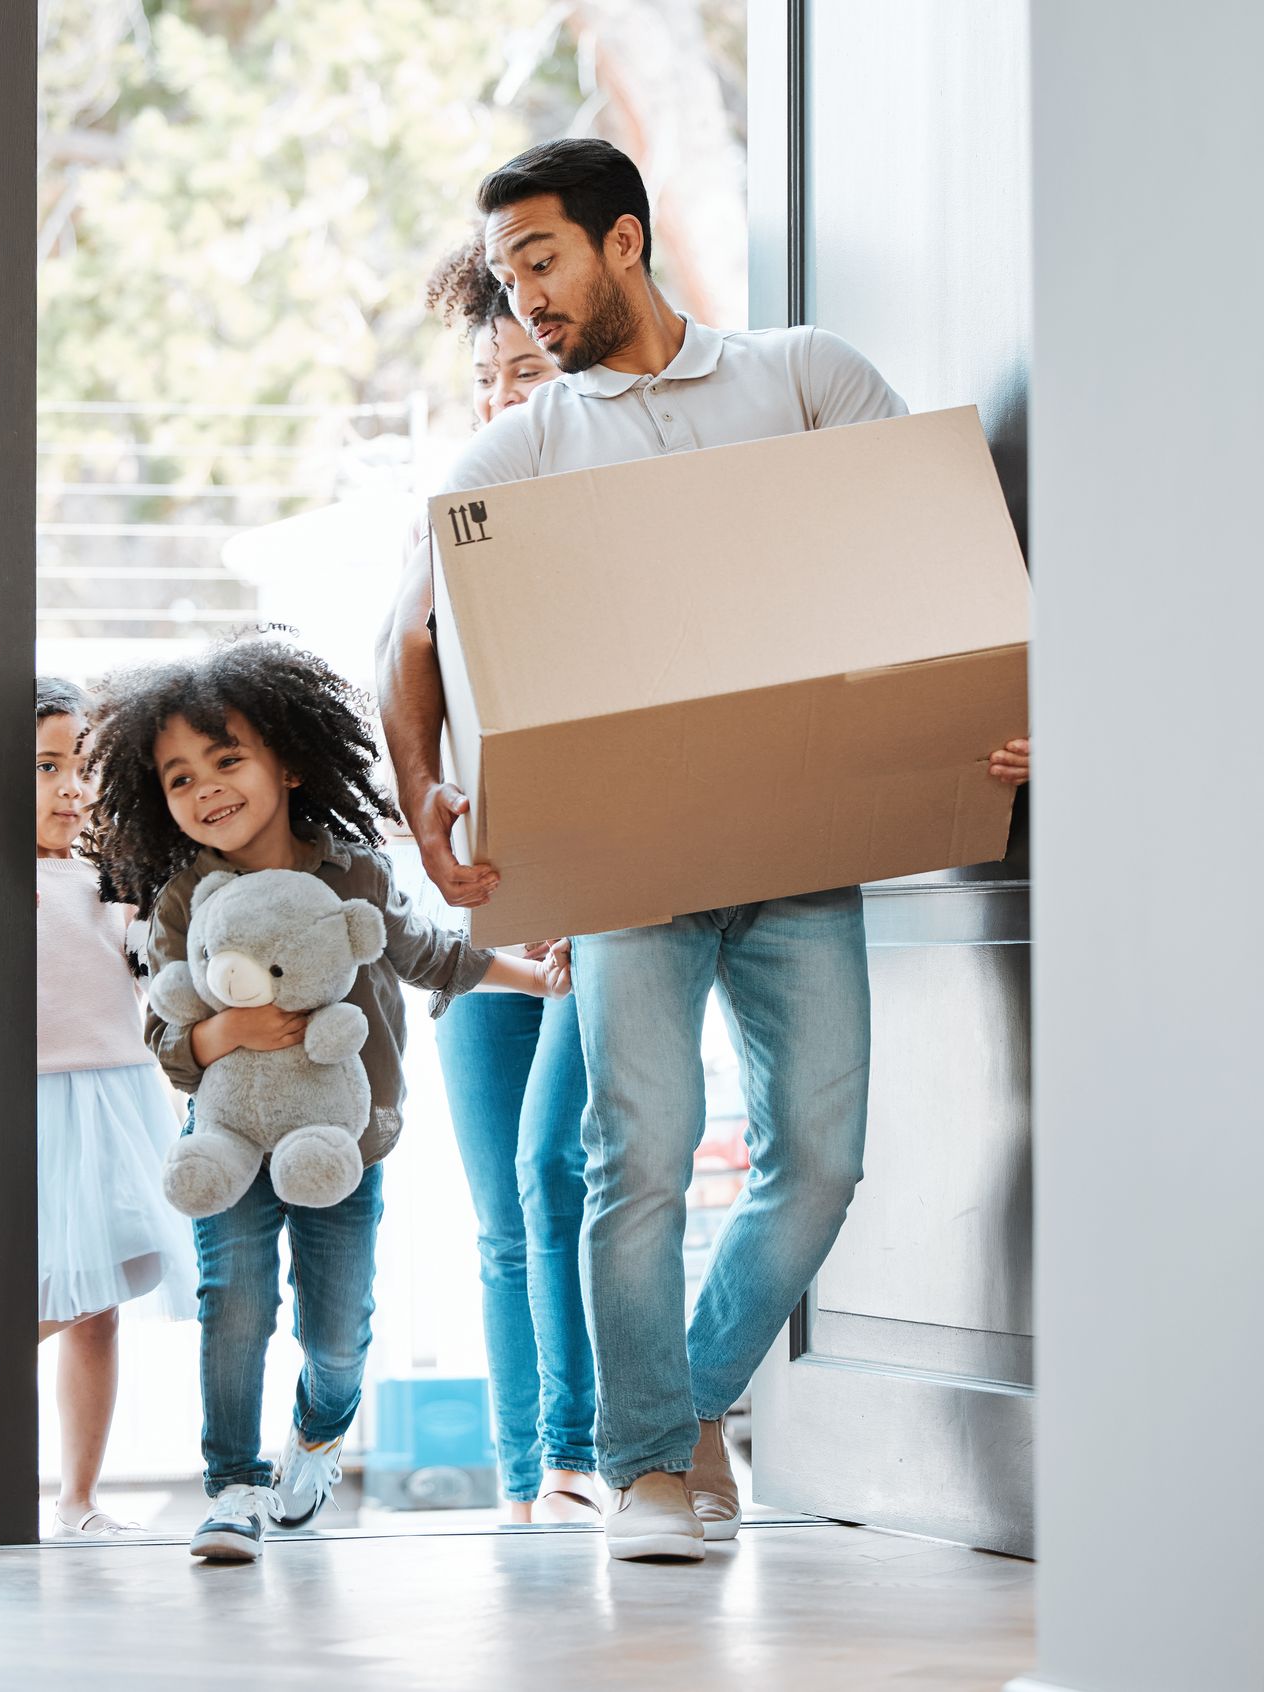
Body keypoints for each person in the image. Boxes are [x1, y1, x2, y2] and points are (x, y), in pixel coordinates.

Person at [376, 139, 1032, 1563]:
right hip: (633, 871)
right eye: (504, 276)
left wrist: (1001, 712)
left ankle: (687, 1411)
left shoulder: (801, 378)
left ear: (624, 240)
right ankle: (642, 1472)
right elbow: (410, 640)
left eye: (541, 260)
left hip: (802, 848)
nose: (524, 298)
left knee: (819, 1158)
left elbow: (939, 559)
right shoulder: (526, 447)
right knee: (641, 1160)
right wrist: (426, 800)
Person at [83, 636, 570, 1563]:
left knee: (338, 1334)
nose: (207, 788)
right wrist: (219, 1038)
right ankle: (231, 1486)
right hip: (228, 1136)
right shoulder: (185, 898)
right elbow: (166, 1032)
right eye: (180, 777)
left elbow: (430, 954)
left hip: (342, 1141)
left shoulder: (353, 873)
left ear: (291, 764)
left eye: (227, 760)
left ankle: (316, 1433)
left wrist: (533, 976)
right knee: (234, 1305)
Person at [420, 235, 600, 1525]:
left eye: (528, 370)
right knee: (498, 1213)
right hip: (481, 924)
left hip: (600, 921)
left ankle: (587, 1452)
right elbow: (410, 714)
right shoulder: (446, 532)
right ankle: (531, 1481)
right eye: (489, 380)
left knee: (558, 1182)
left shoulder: (617, 520)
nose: (506, 401)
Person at [34, 675, 197, 1540]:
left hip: (121, 1094)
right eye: (45, 766)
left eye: (81, 766)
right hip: (38, 1103)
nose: (70, 787)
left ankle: (78, 1499)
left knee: (104, 1302)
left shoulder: (108, 875)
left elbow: (151, 968)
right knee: (63, 1285)